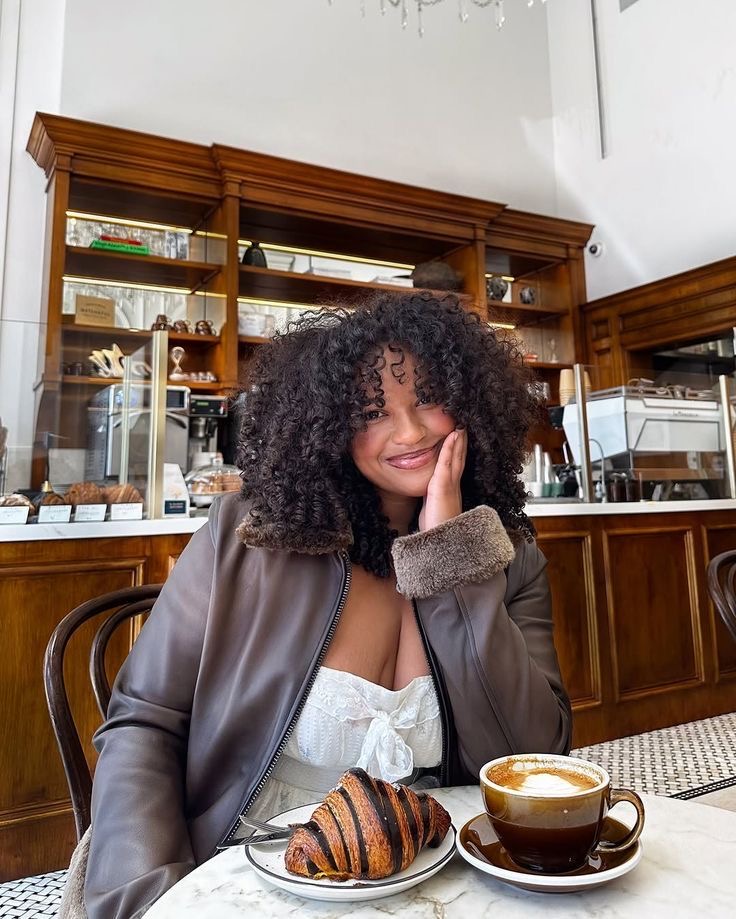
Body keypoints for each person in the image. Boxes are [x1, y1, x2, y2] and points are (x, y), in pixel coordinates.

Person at [70, 292, 570, 918]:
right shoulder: (244, 540)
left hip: (432, 874)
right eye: (371, 411)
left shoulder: (508, 557)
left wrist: (451, 560)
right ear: (329, 425)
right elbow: (146, 724)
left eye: (427, 399)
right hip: (242, 870)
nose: (410, 432)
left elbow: (532, 757)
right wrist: (151, 900)